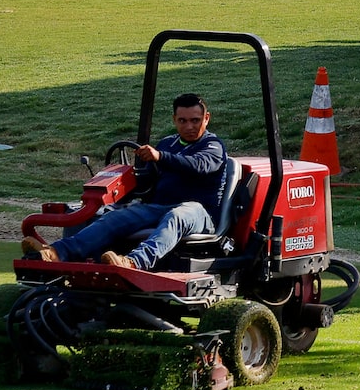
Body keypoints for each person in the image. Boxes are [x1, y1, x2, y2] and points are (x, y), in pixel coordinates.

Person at [45, 93, 235, 271]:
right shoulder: (167, 144)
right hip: (160, 207)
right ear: (174, 120)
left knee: (177, 215)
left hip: (199, 213)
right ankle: (57, 252)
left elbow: (198, 165)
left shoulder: (213, 146)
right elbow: (150, 179)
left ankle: (135, 262)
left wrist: (160, 157)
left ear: (206, 118)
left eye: (195, 120)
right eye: (182, 121)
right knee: (114, 217)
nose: (189, 127)